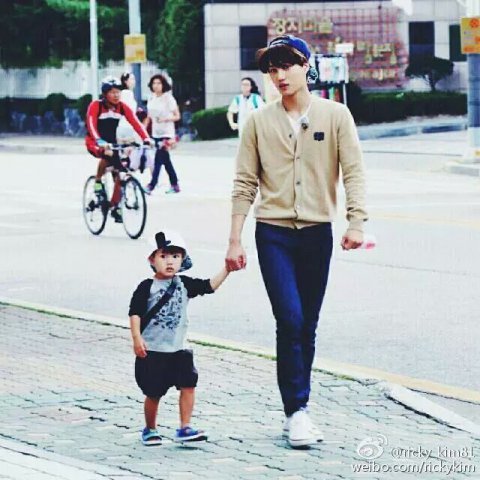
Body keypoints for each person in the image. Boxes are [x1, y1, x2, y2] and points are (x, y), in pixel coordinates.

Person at [225, 35, 368, 448]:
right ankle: (297, 411)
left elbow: (354, 172)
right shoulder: (257, 122)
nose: (279, 76)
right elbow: (244, 182)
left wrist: (356, 222)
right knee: (288, 319)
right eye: (272, 69)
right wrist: (234, 240)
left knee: (307, 324)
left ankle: (298, 410)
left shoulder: (335, 115)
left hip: (317, 233)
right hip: (273, 233)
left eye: (287, 65)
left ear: (307, 66)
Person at [129, 229, 230, 445]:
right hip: (153, 350)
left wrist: (227, 270)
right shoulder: (147, 287)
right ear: (152, 260)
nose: (169, 261)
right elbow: (135, 312)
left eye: (175, 256)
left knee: (188, 385)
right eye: (163, 256)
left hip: (179, 349)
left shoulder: (184, 284)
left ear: (182, 259)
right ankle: (150, 428)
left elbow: (208, 286)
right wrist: (137, 338)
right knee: (153, 392)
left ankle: (185, 427)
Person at [85, 76, 153, 223]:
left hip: (112, 142)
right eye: (112, 92)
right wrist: (99, 141)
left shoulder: (121, 107)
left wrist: (146, 138)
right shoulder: (96, 106)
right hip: (94, 140)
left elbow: (135, 122)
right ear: (105, 94)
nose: (116, 95)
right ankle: (98, 181)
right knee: (107, 154)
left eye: (118, 92)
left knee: (120, 172)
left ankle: (114, 206)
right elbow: (91, 125)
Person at [143, 74, 181, 195]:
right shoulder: (151, 98)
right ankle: (175, 184)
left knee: (158, 159)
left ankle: (152, 185)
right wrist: (142, 130)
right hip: (155, 133)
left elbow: (177, 116)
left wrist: (165, 119)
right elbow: (148, 117)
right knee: (165, 160)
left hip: (167, 133)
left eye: (159, 83)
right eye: (154, 83)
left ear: (163, 85)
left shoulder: (168, 98)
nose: (156, 86)